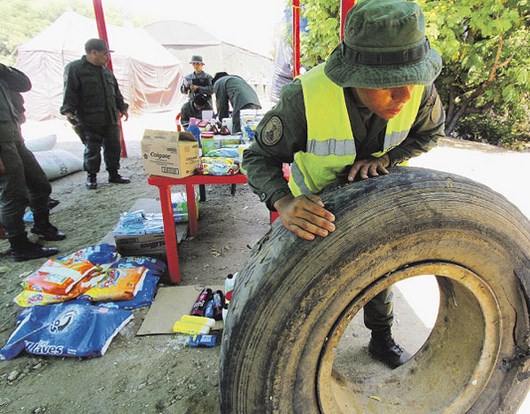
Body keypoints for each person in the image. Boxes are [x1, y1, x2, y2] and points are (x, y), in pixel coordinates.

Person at [242, 0, 445, 369]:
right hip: (317, 211)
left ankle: (381, 338)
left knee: (380, 271)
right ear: (355, 75)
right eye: (388, 86)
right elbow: (257, 157)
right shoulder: (304, 99)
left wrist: (386, 159)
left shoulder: (418, 90)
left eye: (411, 81)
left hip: (372, 202)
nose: (403, 96)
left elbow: (429, 134)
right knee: (304, 290)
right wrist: (284, 203)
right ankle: (301, 361)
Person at [0, 63, 65, 261]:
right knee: (14, 195)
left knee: (40, 184)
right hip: (2, 143)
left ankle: (42, 226)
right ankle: (20, 246)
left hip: (14, 136)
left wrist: (4, 69)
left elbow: (24, 84)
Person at [60, 38, 130, 190]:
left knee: (113, 147)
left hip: (110, 117)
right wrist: (68, 111)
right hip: (89, 118)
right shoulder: (75, 69)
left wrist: (122, 107)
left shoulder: (106, 71)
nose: (107, 57)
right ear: (93, 52)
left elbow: (115, 92)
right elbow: (69, 91)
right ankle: (91, 176)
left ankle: (114, 173)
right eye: (105, 54)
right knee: (92, 149)